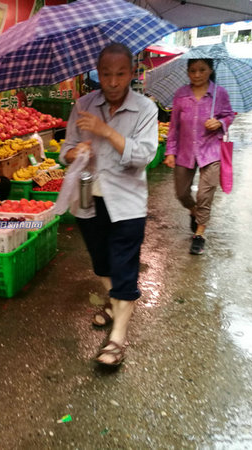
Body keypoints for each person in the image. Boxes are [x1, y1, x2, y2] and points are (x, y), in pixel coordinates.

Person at [60, 43, 158, 367]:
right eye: (106, 74)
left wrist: (106, 131)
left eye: (120, 74)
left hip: (127, 204)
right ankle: (116, 304)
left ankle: (117, 339)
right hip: (88, 199)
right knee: (102, 264)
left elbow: (144, 156)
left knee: (124, 268)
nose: (113, 82)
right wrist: (76, 152)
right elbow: (65, 150)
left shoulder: (145, 109)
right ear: (97, 74)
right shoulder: (83, 105)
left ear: (132, 73)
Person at [163, 58, 234, 255]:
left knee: (205, 194)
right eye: (192, 70)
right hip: (184, 151)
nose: (197, 75)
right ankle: (194, 211)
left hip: (211, 151)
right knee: (181, 193)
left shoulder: (219, 93)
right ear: (187, 72)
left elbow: (229, 115)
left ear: (210, 70)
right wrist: (170, 151)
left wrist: (220, 123)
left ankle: (199, 234)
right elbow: (174, 126)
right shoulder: (181, 94)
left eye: (202, 70)